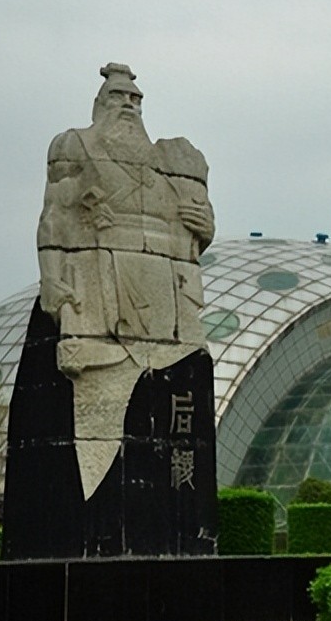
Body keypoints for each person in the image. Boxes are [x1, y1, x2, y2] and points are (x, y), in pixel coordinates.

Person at [35, 63, 215, 499]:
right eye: (118, 97)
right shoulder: (75, 146)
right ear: (100, 103)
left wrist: (205, 227)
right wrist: (52, 279)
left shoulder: (174, 160)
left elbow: (198, 232)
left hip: (166, 290)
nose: (128, 105)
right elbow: (54, 217)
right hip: (101, 285)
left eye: (135, 99)